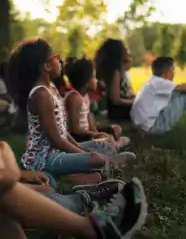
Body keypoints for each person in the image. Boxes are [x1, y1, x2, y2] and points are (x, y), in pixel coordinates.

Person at [6, 39, 134, 178]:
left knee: (102, 147)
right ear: (46, 66)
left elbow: (63, 133)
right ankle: (106, 164)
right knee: (96, 158)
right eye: (56, 58)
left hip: (59, 151)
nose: (60, 62)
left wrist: (81, 149)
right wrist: (84, 154)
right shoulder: (41, 94)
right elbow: (56, 139)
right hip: (45, 159)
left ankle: (95, 166)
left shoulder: (51, 88)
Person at [0, 141, 148, 239]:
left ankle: (81, 201)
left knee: (44, 184)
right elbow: (5, 179)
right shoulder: (42, 95)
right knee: (8, 196)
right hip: (46, 158)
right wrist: (13, 169)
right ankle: (87, 216)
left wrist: (24, 177)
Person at [64, 57, 131, 150]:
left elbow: (89, 119)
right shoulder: (74, 98)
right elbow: (74, 129)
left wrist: (96, 132)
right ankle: (112, 145)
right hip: (76, 137)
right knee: (108, 139)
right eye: (94, 77)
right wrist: (95, 134)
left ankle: (110, 144)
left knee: (115, 130)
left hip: (86, 133)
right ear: (87, 81)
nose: (97, 80)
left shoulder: (85, 96)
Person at [95, 38, 134, 120]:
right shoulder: (115, 72)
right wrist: (134, 102)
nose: (126, 51)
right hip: (118, 111)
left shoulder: (115, 70)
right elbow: (115, 99)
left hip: (117, 109)